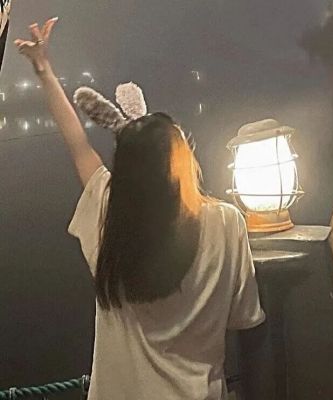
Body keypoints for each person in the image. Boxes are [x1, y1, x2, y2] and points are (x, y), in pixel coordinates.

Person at [15, 18, 265, 400]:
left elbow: (78, 144)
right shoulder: (227, 223)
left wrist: (44, 69)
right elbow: (244, 317)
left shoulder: (111, 216)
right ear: (182, 162)